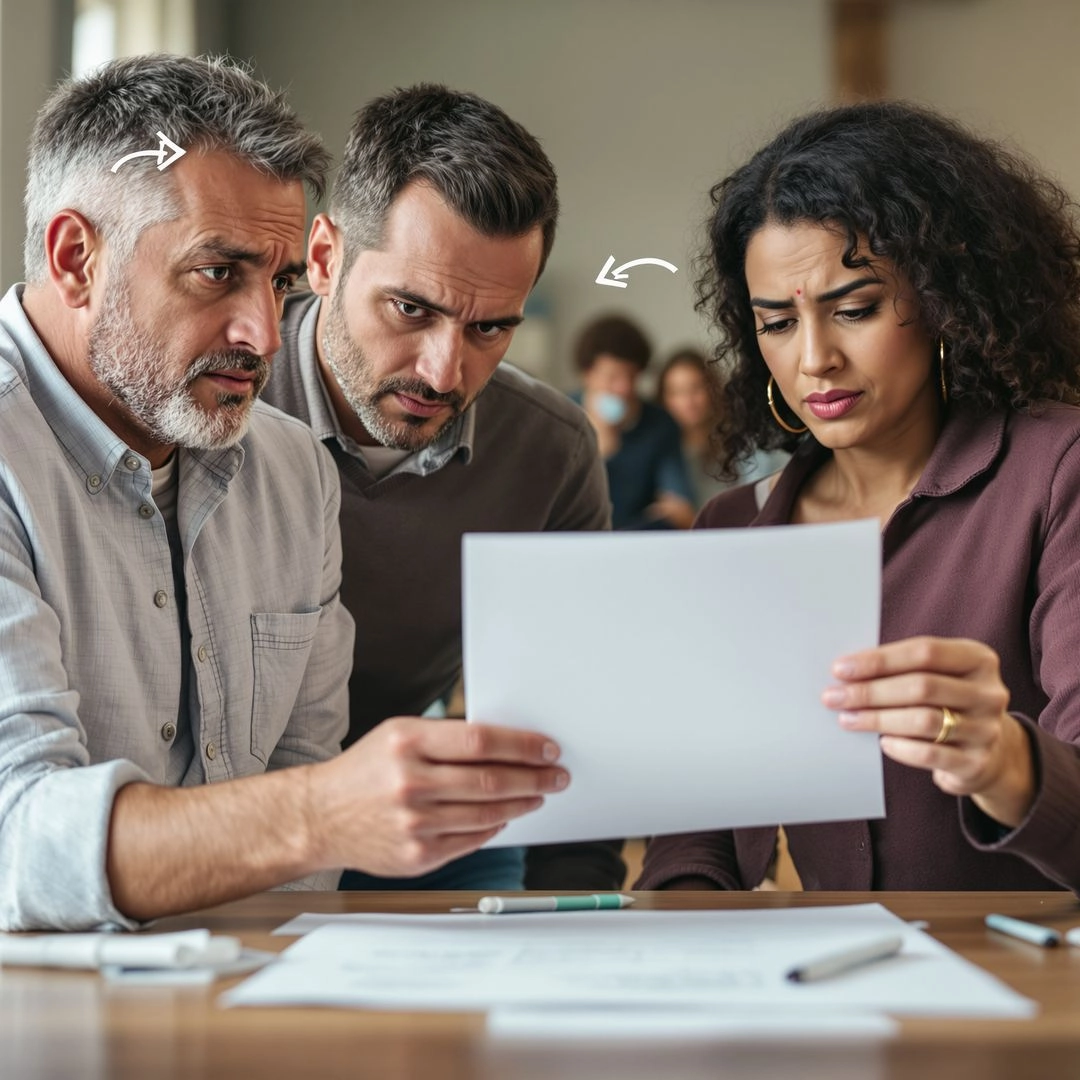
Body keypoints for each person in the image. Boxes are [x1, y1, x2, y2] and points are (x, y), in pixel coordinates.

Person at [0, 56, 568, 932]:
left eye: (278, 281)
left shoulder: (289, 467)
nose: (263, 333)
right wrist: (322, 812)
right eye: (217, 273)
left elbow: (304, 786)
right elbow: (16, 841)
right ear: (76, 257)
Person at [638, 100, 1080, 893]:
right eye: (776, 323)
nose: (815, 358)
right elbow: (689, 843)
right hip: (826, 994)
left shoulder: (1058, 472)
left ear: (946, 297)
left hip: (1033, 995)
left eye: (856, 309)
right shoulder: (732, 533)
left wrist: (1005, 762)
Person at [260, 84, 624, 891]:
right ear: (323, 258)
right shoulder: (221, 399)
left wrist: (579, 919)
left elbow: (570, 717)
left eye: (490, 327)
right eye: (410, 308)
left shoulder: (551, 452)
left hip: (411, 822)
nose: (445, 370)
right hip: (221, 814)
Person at [573, 314, 695, 530]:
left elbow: (680, 509)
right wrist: (600, 450)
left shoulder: (660, 424)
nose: (624, 388)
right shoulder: (559, 417)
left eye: (631, 377)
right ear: (587, 374)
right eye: (612, 377)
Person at [656, 348, 789, 507]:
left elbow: (757, 499)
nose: (688, 402)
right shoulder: (661, 449)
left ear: (712, 389)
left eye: (696, 388)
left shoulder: (741, 438)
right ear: (663, 398)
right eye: (677, 392)